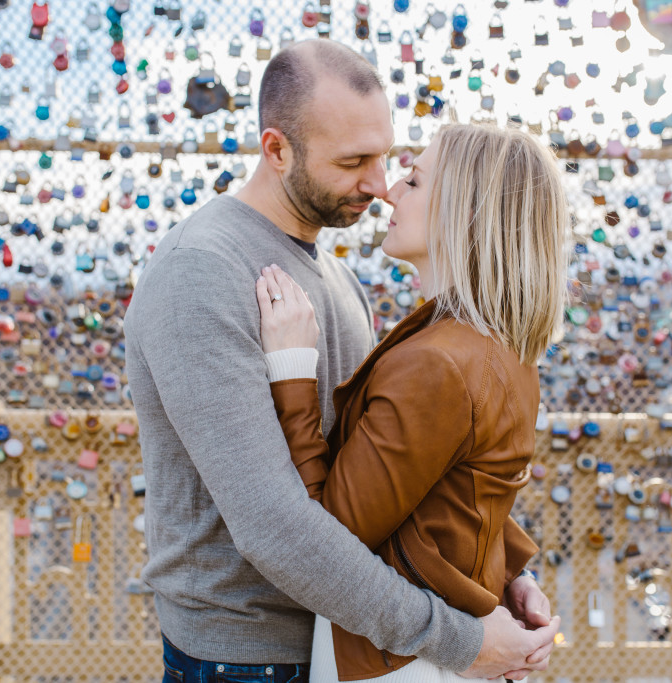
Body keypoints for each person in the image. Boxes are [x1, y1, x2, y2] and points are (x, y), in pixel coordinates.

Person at [125, 40, 558, 683]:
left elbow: (399, 471)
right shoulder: (203, 272)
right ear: (277, 150)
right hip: (249, 655)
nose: (379, 186)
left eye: (386, 158)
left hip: (359, 642)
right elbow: (277, 529)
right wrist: (459, 639)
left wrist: (501, 572)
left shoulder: (337, 278)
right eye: (354, 162)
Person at [255, 121, 569, 682]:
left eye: (415, 181)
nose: (389, 191)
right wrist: (508, 574)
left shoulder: (437, 360)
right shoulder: (501, 345)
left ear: (465, 212)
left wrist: (293, 370)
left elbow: (330, 535)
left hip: (403, 662)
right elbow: (468, 487)